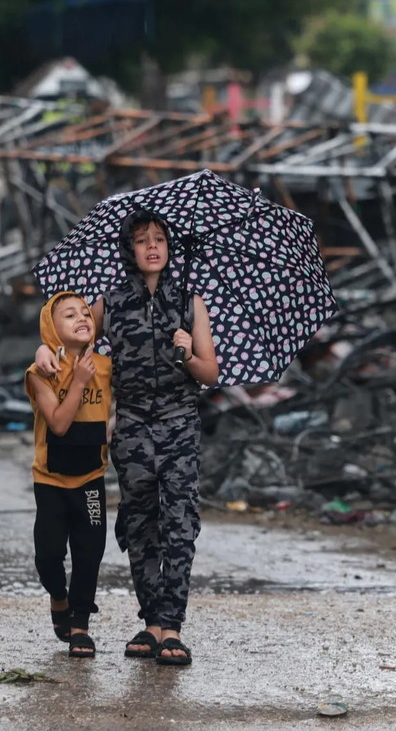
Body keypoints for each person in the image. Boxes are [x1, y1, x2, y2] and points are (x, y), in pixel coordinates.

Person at [35, 211, 218, 666]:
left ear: (170, 247)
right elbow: (71, 339)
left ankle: (172, 627)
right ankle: (151, 621)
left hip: (178, 423)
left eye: (159, 239)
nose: (152, 247)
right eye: (141, 240)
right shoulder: (110, 301)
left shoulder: (190, 303)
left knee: (178, 523)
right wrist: (43, 350)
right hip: (132, 425)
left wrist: (189, 353)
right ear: (129, 250)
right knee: (139, 523)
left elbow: (210, 373)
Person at [25, 292, 112, 658]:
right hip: (51, 480)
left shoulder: (107, 367)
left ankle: (80, 625)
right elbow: (58, 425)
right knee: (48, 554)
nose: (81, 317)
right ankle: (58, 597)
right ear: (51, 330)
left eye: (85, 314)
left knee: (89, 553)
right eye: (68, 315)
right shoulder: (40, 372)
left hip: (91, 478)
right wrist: (75, 380)